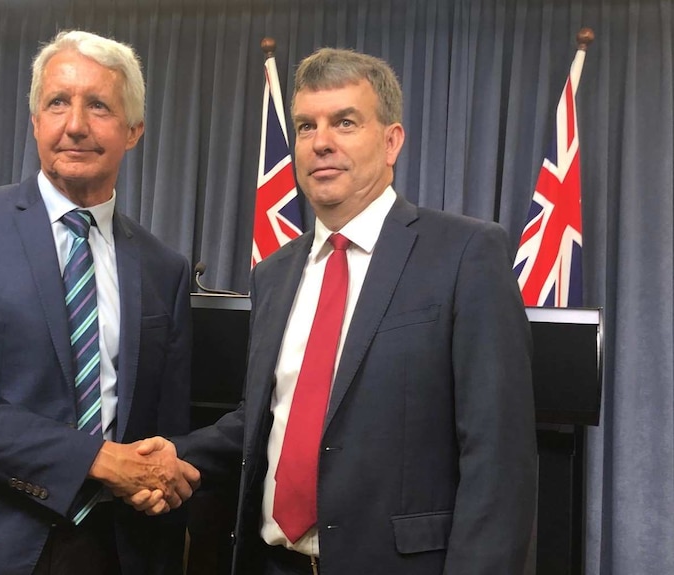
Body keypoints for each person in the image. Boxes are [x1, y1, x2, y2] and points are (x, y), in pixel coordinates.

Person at [161, 48, 537, 574]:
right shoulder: (273, 274)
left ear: (391, 142)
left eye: (344, 122)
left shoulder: (466, 253)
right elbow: (266, 419)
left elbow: (499, 456)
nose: (321, 143)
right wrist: (171, 456)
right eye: (306, 126)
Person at [0, 30, 199, 575]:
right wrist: (98, 461)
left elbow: (164, 431)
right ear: (35, 120)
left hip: (113, 549)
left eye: (99, 106)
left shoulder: (164, 268)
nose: (75, 125)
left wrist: (160, 476)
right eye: (58, 102)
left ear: (133, 131)